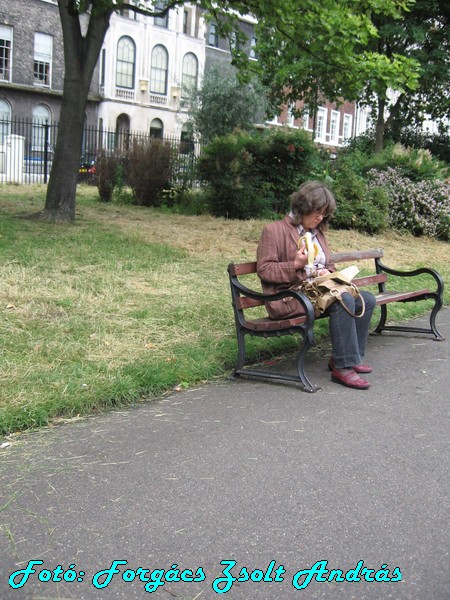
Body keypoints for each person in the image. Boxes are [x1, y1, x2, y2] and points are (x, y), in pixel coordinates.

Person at [256, 180, 376, 390]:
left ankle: (350, 357)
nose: (320, 217)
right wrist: (295, 264)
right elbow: (265, 270)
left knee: (366, 299)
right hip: (290, 297)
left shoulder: (318, 233)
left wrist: (328, 272)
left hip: (318, 290)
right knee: (343, 300)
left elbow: (327, 263)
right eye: (317, 212)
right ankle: (343, 367)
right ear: (303, 207)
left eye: (324, 213)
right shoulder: (274, 231)